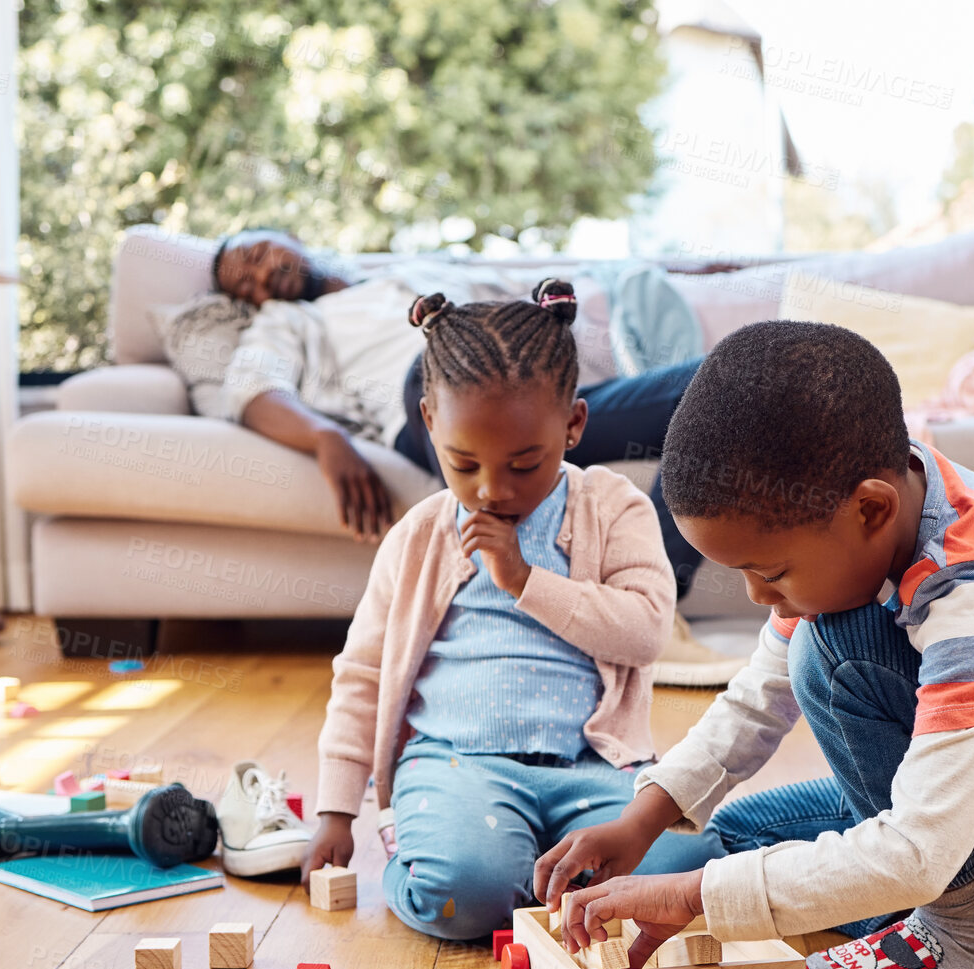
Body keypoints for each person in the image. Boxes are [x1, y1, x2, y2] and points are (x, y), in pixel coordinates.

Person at [533, 320, 974, 969]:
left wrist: (693, 897)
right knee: (737, 835)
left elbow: (918, 846)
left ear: (870, 509)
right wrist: (643, 814)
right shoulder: (874, 489)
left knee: (841, 652)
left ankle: (966, 934)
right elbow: (759, 691)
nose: (758, 596)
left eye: (771, 571)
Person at [297, 280, 722, 940]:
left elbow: (644, 632)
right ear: (429, 423)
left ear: (574, 425)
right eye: (463, 464)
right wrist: (333, 808)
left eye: (525, 464)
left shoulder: (611, 508)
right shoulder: (418, 535)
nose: (493, 489)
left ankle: (527, 873)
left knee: (687, 866)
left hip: (593, 767)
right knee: (459, 895)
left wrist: (525, 579)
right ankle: (468, 858)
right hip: (456, 763)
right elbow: (362, 672)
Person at [210, 229, 741, 686]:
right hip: (434, 391)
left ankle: (643, 609)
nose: (260, 280)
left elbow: (584, 282)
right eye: (244, 285)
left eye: (257, 256)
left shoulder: (420, 267)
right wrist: (328, 439)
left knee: (717, 384)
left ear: (290, 239)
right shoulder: (295, 321)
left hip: (535, 392)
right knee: (456, 368)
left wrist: (684, 271)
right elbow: (255, 389)